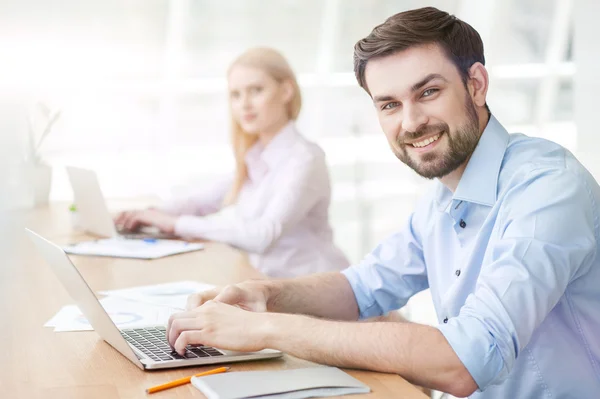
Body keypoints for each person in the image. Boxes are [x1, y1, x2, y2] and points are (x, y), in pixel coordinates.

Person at [165, 7, 600, 399]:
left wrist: (265, 330)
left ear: (477, 84)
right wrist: (264, 297)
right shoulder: (442, 196)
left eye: (428, 92)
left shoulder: (547, 188)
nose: (410, 122)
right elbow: (361, 288)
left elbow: (467, 361)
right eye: (390, 104)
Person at [115, 47, 348, 278]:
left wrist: (173, 223)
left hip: (316, 290)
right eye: (235, 95)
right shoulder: (255, 157)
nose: (244, 104)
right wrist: (147, 214)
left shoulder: (305, 159)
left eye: (256, 90)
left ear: (286, 91)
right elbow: (201, 202)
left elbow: (262, 236)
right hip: (268, 283)